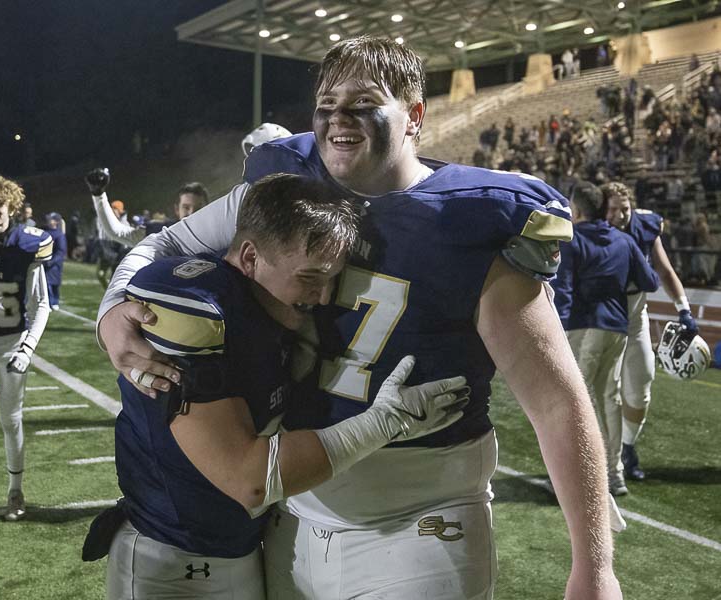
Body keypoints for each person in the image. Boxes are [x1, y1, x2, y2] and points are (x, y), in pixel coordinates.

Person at [96, 37, 622, 599]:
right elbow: (165, 245)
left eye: (362, 102)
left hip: (421, 518)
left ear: (414, 116)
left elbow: (557, 401)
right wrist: (111, 311)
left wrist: (594, 564)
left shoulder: (475, 220)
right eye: (326, 103)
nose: (337, 119)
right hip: (291, 520)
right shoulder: (286, 183)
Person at [97, 173, 468, 599]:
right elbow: (250, 478)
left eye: (332, 280)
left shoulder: (263, 305)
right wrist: (386, 423)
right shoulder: (197, 309)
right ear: (251, 258)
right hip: (167, 562)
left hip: (236, 551)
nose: (324, 297)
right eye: (311, 278)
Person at [552, 182, 659, 496]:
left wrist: (557, 333)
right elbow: (650, 281)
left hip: (583, 328)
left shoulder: (572, 239)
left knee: (574, 404)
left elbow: (565, 291)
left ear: (578, 209)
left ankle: (579, 476)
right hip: (617, 329)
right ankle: (614, 474)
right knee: (609, 401)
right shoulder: (624, 241)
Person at [0, 176, 52, 537]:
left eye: (0, 204)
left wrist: (27, 348)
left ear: (12, 208)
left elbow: (43, 305)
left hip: (10, 346)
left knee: (11, 421)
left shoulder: (28, 245)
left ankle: (15, 490)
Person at [602, 182, 699, 481]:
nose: (619, 215)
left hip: (634, 316)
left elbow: (666, 270)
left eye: (624, 208)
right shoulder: (591, 227)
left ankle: (628, 447)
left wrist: (683, 308)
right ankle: (604, 457)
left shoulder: (644, 225)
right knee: (603, 393)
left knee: (641, 388)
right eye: (613, 209)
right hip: (600, 317)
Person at [87, 170, 210, 246]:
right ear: (177, 210)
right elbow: (118, 232)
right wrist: (99, 195)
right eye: (186, 207)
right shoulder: (163, 232)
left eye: (199, 208)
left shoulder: (219, 236)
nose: (192, 212)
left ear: (208, 210)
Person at [43, 212, 67, 310]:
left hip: (55, 265)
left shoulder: (59, 235)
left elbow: (61, 251)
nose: (49, 221)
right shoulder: (44, 232)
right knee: (46, 284)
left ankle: (55, 301)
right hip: (45, 263)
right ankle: (49, 302)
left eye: (51, 219)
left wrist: (52, 261)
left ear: (56, 222)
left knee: (54, 284)